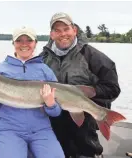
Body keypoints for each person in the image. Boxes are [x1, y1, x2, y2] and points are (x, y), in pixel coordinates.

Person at [0, 26, 65, 158]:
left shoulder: (45, 71)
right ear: (13, 43)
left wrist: (51, 104)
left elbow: (56, 112)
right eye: (19, 41)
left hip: (41, 130)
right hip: (9, 129)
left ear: (35, 43)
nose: (24, 44)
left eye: (28, 40)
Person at [40, 12, 121, 158]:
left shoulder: (92, 56)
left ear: (74, 30)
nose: (63, 34)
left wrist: (91, 92)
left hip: (84, 120)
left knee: (85, 152)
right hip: (52, 119)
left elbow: (113, 88)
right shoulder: (42, 59)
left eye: (66, 29)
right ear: (51, 35)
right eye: (57, 30)